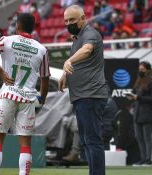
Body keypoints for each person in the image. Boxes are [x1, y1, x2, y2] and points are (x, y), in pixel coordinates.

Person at [0, 13, 50, 175]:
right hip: (28, 99)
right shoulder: (41, 50)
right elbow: (45, 78)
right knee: (25, 142)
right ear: (33, 28)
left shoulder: (7, 40)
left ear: (17, 26)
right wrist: (42, 98)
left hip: (7, 95)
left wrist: (1, 73)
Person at [58, 5, 108, 175]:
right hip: (82, 97)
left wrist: (68, 61)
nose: (68, 23)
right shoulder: (77, 38)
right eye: (66, 21)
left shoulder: (90, 34)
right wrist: (65, 73)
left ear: (83, 18)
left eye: (72, 19)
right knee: (87, 141)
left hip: (91, 96)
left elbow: (87, 50)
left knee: (93, 141)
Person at [130, 62, 152, 166]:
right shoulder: (139, 80)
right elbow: (136, 94)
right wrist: (132, 98)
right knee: (139, 137)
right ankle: (142, 158)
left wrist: (139, 98)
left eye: (142, 69)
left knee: (147, 137)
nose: (140, 71)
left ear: (148, 70)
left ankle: (148, 159)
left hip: (147, 113)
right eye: (139, 69)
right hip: (137, 114)